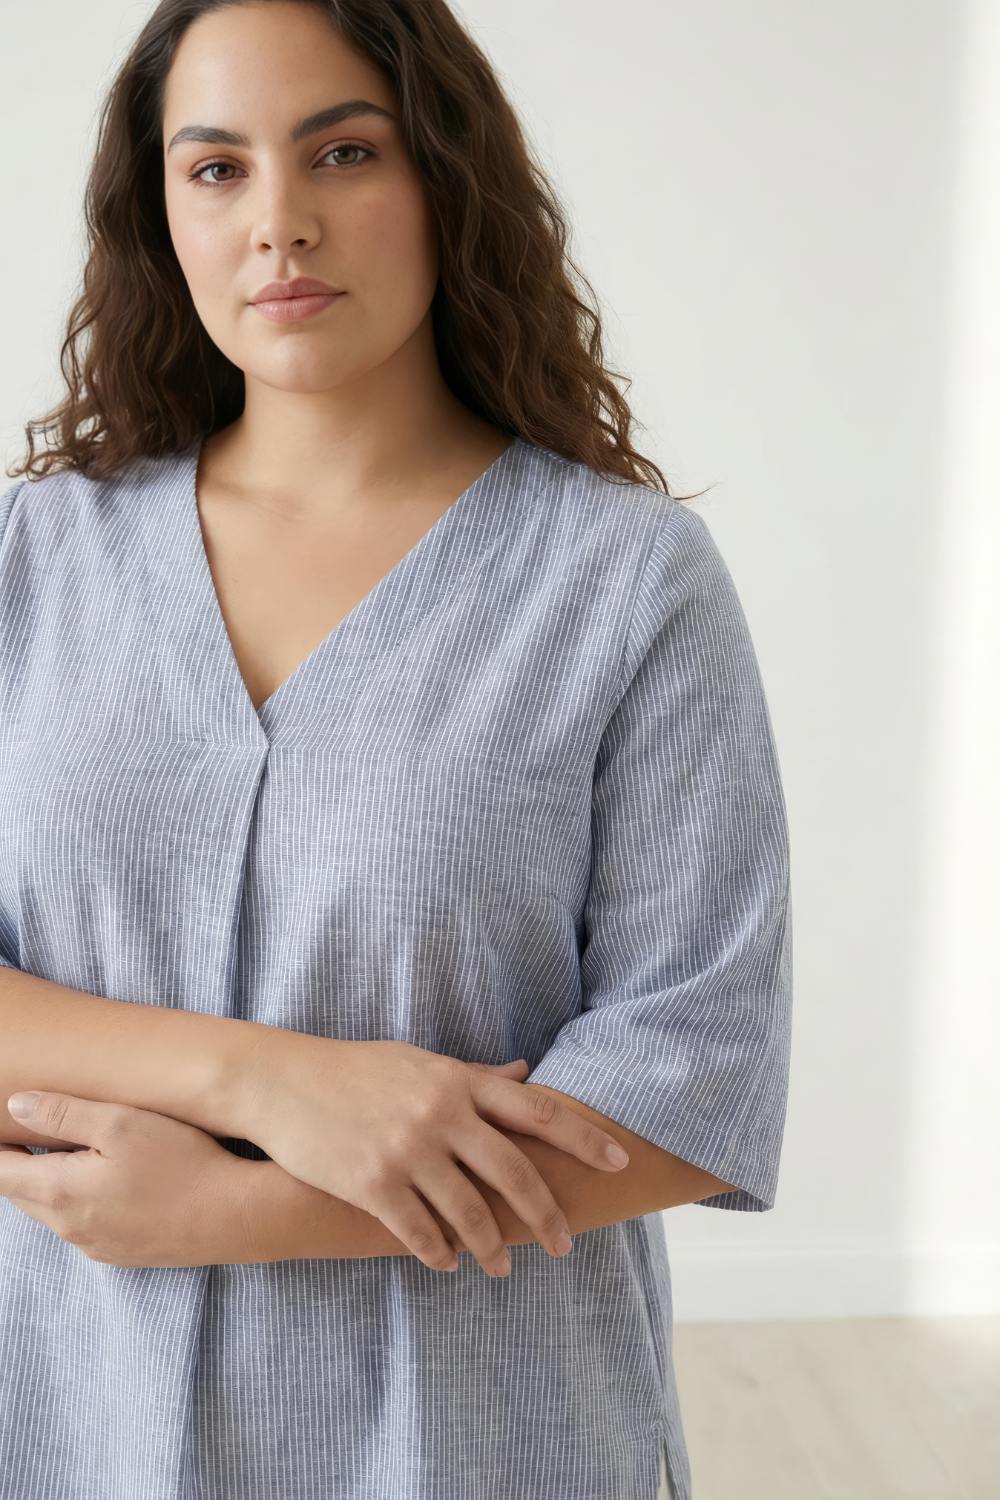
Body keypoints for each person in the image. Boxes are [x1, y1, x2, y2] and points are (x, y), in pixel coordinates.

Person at [0, 2, 793, 1497]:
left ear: (443, 179)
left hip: (480, 1435)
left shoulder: (624, 582)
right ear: (158, 213)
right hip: (65, 1416)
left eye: (343, 153)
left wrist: (246, 1213)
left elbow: (695, 1079)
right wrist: (266, 1084)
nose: (280, 224)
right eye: (216, 169)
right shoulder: (31, 558)